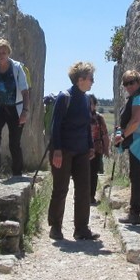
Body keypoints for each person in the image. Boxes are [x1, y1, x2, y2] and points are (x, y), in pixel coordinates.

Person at [47, 61, 100, 241]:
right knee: (61, 189)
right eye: (90, 78)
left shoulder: (86, 99)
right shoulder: (65, 97)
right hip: (64, 150)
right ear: (80, 79)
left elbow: (86, 125)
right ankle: (55, 227)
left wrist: (91, 145)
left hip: (82, 151)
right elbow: (55, 126)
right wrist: (57, 150)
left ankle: (81, 229)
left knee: (84, 190)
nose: (93, 81)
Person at [0, 38, 30, 179]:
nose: (1, 55)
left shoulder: (17, 68)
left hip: (15, 109)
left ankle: (17, 172)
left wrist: (25, 112)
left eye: (4, 52)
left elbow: (25, 91)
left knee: (14, 142)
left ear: (8, 52)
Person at [113, 70, 140, 225]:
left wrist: (123, 135)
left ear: (139, 81)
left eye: (132, 82)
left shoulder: (139, 98)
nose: (129, 86)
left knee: (137, 178)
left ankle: (135, 213)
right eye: (126, 83)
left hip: (139, 144)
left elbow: (136, 121)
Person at [88, 94, 110, 205]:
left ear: (95, 105)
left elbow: (105, 134)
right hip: (82, 149)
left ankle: (91, 196)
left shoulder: (99, 118)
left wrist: (106, 149)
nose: (89, 105)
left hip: (96, 149)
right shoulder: (80, 116)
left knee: (93, 173)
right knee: (82, 174)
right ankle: (82, 196)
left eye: (91, 103)